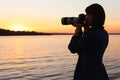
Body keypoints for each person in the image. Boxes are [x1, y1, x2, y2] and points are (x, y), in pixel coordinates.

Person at [68, 3, 109, 80]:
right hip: (99, 72)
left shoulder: (92, 35)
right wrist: (85, 27)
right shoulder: (104, 33)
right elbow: (87, 46)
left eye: (87, 15)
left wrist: (77, 32)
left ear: (94, 16)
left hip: (87, 73)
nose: (85, 18)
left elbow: (72, 48)